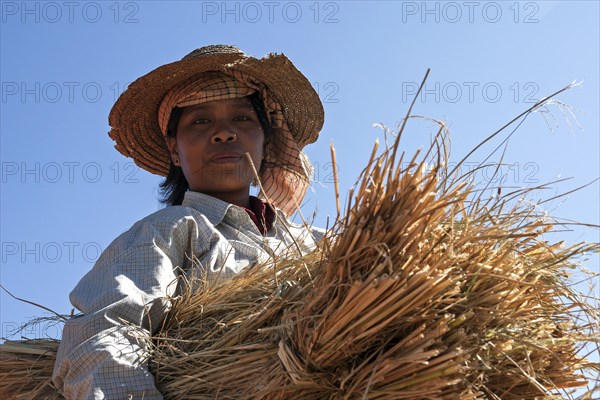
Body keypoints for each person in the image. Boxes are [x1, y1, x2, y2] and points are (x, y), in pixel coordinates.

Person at [52, 44, 325, 399]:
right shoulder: (169, 231)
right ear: (173, 150)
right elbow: (106, 332)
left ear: (266, 142)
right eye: (200, 120)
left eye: (242, 118)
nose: (224, 133)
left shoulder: (317, 245)